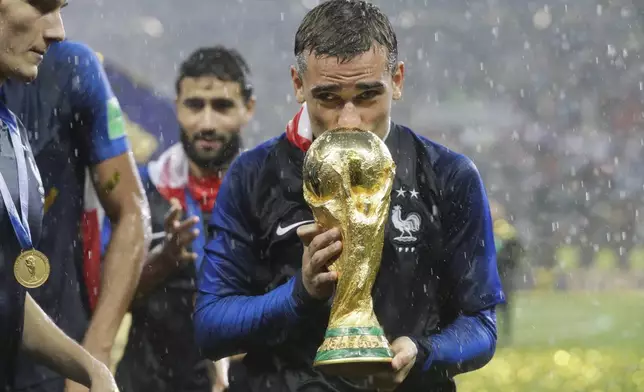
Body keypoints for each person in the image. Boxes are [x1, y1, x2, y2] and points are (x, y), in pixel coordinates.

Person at [193, 1, 505, 391]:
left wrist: (423, 351)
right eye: (328, 98)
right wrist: (298, 295)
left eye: (368, 95)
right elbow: (210, 326)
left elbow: (481, 324)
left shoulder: (447, 176)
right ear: (297, 85)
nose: (349, 120)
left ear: (398, 80)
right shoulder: (254, 176)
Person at [0, 39, 151, 392]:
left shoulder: (70, 69)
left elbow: (132, 211)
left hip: (54, 354)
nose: (56, 28)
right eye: (41, 5)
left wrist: (93, 358)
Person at [110, 46, 255, 392]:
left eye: (221, 106)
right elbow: (105, 298)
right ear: (176, 107)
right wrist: (161, 263)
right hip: (148, 381)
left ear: (247, 109)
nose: (206, 123)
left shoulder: (268, 194)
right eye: (195, 105)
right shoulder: (139, 190)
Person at [490, 200, 523, 344]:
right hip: (489, 275)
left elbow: (516, 252)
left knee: (505, 306)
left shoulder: (507, 232)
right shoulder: (483, 228)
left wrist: (505, 264)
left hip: (503, 275)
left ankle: (506, 335)